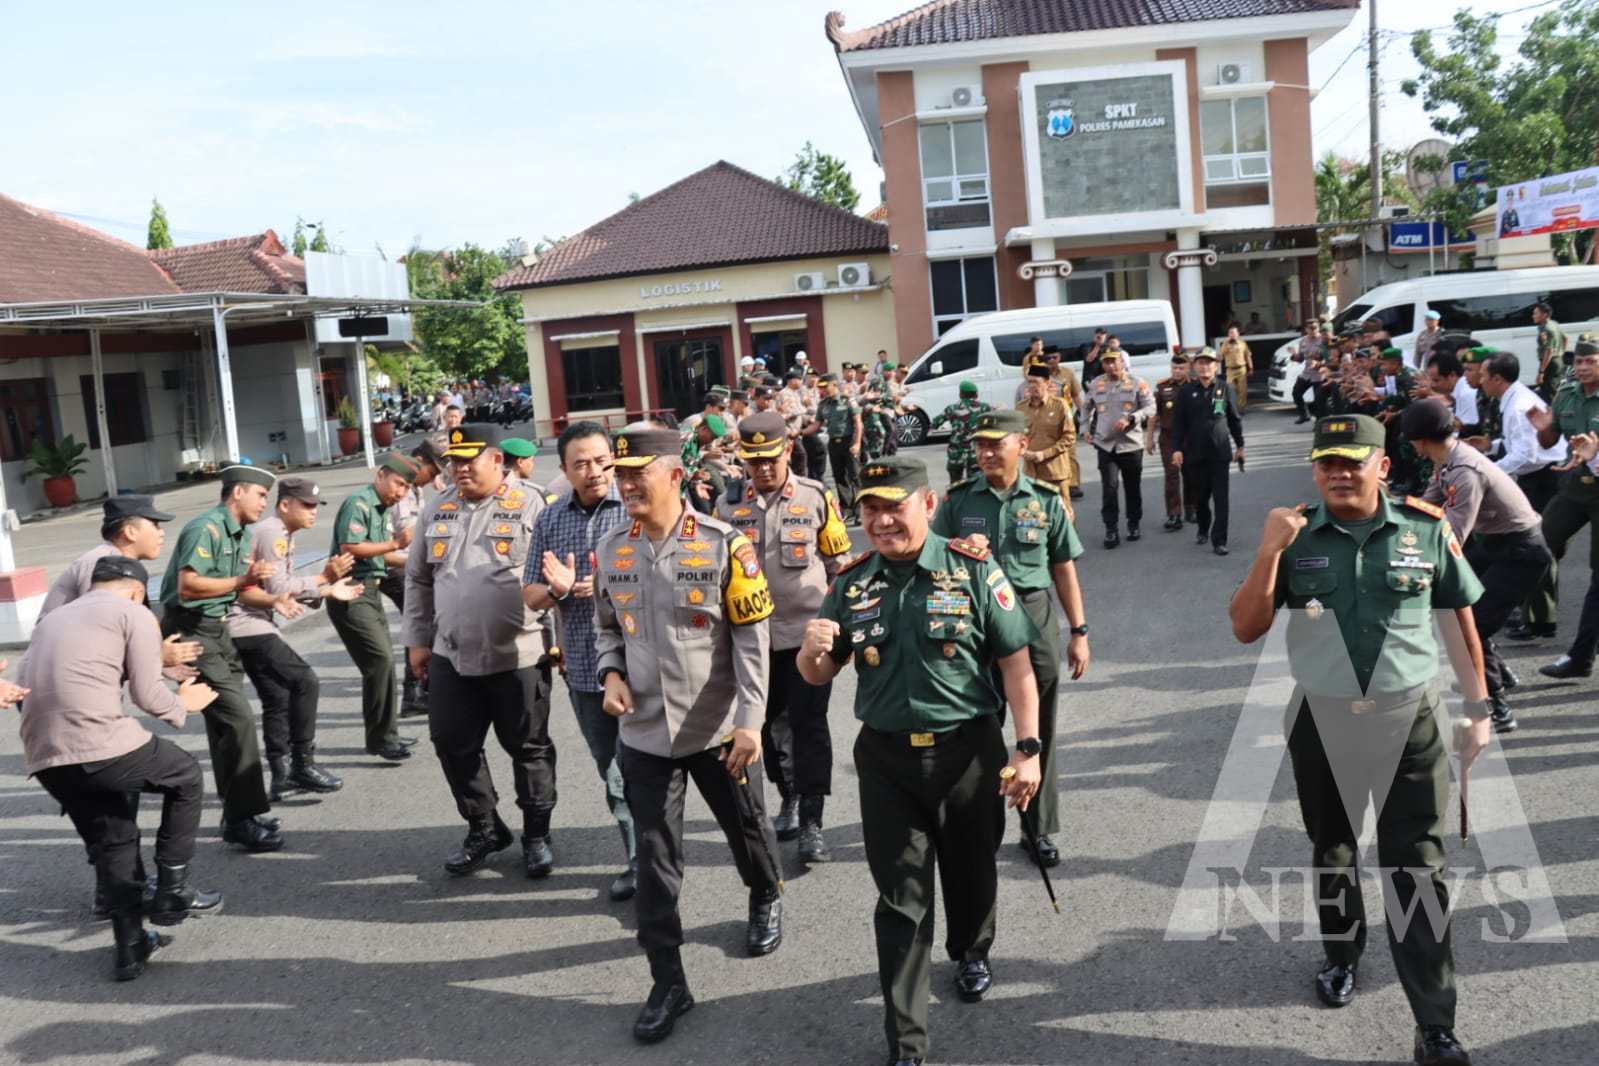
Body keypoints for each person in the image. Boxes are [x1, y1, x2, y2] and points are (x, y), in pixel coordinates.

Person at [1229, 413, 1489, 1066]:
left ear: (1382, 465)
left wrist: (1478, 706)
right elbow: (1244, 627)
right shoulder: (1292, 534)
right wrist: (1266, 552)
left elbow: (1458, 618)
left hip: (1410, 725)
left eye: (1353, 460)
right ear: (1315, 470)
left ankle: (1434, 1024)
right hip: (1322, 720)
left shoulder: (1425, 530)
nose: (1339, 472)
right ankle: (1340, 955)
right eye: (1327, 462)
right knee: (1333, 849)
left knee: (1416, 867)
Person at [798, 454, 1043, 1066]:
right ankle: (907, 1041)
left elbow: (1017, 666)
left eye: (894, 506)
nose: (881, 521)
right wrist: (811, 652)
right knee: (902, 898)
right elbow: (820, 672)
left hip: (969, 751)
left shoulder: (974, 572)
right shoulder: (852, 583)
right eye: (870, 509)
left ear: (927, 506)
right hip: (886, 760)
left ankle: (972, 948)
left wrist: (1028, 747)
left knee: (971, 870)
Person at [592, 424, 782, 1045]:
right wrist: (611, 672)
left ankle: (763, 894)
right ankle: (668, 980)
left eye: (636, 474)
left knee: (747, 831)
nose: (625, 485)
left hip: (721, 729)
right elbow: (606, 628)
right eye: (620, 475)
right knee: (655, 863)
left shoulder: (728, 546)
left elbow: (753, 646)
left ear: (675, 475)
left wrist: (751, 722)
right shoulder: (612, 548)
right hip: (645, 734)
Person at [21, 556, 222, 981]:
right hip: (98, 742)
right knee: (185, 775)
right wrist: (182, 704)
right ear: (136, 591)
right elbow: (150, 695)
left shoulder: (51, 620)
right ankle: (173, 888)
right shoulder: (133, 612)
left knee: (115, 838)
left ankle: (130, 946)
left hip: (45, 756)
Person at [933, 408, 1090, 866]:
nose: (983, 453)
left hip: (1033, 614)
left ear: (1020, 445)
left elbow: (1063, 567)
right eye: (979, 446)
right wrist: (960, 554)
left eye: (994, 444)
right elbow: (933, 558)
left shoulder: (1044, 499)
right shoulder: (960, 501)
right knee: (974, 726)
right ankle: (972, 823)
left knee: (1037, 729)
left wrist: (1079, 631)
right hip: (976, 619)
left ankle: (1037, 827)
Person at [404, 423, 559, 878]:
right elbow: (417, 578)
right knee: (452, 742)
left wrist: (563, 644)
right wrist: (417, 639)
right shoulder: (439, 506)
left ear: (497, 460)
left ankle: (536, 834)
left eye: (470, 460)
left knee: (527, 748)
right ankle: (485, 826)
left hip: (520, 653)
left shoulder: (535, 505)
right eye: (454, 460)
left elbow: (558, 580)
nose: (459, 468)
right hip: (452, 653)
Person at [716, 411, 852, 863]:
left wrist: (838, 624)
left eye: (770, 459)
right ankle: (788, 794)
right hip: (753, 641)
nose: (763, 469)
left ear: (788, 451)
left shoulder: (816, 498)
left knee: (809, 726)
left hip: (806, 637)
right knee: (765, 726)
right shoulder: (727, 505)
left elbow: (840, 565)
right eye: (754, 461)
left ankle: (812, 820)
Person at [159, 464, 301, 853]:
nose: (264, 503)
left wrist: (272, 598)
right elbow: (188, 587)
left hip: (217, 630)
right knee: (237, 720)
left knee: (224, 726)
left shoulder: (239, 534)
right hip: (191, 628)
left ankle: (237, 815)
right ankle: (243, 817)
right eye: (259, 495)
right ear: (237, 493)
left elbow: (235, 590)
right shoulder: (205, 528)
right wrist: (243, 580)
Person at [523, 421, 637, 900]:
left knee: (658, 767)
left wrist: (608, 584)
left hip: (646, 663)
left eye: (600, 460)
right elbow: (530, 594)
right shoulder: (551, 519)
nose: (593, 471)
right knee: (612, 769)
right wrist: (558, 589)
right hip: (588, 670)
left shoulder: (634, 506)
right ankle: (639, 860)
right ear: (565, 471)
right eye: (581, 464)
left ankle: (659, 855)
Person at [1403, 399, 1551, 733]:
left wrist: (1416, 561)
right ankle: (1499, 673)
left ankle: (1496, 706)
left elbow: (1454, 533)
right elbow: (1429, 504)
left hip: (1522, 552)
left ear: (1421, 441)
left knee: (1472, 625)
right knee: (1463, 614)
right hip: (1497, 544)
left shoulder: (1465, 471)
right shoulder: (1447, 460)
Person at [228, 476, 360, 800]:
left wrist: (324, 587)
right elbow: (276, 589)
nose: (313, 512)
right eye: (308, 505)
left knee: (278, 696)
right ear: (286, 504)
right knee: (305, 681)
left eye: (316, 506)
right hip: (247, 624)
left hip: (251, 623)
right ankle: (303, 763)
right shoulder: (273, 531)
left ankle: (282, 774)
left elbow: (281, 585)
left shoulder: (281, 532)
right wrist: (325, 583)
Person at [328, 453, 420, 762]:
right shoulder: (360, 503)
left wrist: (417, 561)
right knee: (380, 661)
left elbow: (379, 556)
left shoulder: (380, 507)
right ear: (380, 475)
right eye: (398, 484)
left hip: (370, 590)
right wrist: (395, 543)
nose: (401, 492)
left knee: (382, 664)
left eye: (406, 487)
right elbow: (351, 548)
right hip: (350, 591)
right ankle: (382, 738)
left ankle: (384, 734)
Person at [1472, 353, 1566, 641]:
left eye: (1484, 375)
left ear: (1498, 379)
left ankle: (1538, 619)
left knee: (1535, 546)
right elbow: (1519, 443)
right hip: (1537, 476)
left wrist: (1489, 472)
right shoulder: (1513, 398)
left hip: (1546, 479)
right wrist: (1493, 445)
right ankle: (1534, 617)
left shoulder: (1517, 405)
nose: (1481, 380)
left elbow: (1527, 454)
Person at [1533, 335, 1599, 679]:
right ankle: (1537, 619)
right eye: (1579, 362)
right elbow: (1549, 439)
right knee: (1535, 544)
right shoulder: (1567, 393)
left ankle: (1581, 656)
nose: (1583, 368)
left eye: (1591, 361)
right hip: (1575, 489)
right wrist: (1543, 429)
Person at [1171, 347, 1245, 556]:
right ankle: (1203, 527)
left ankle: (1219, 540)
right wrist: (1176, 449)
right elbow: (1178, 424)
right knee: (1201, 498)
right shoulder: (1186, 391)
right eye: (1201, 363)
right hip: (1194, 454)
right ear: (1194, 366)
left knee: (1221, 499)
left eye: (1209, 362)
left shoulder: (1225, 388)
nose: (1205, 366)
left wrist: (1240, 446)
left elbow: (1234, 419)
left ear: (1216, 366)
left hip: (1220, 453)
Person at [390, 440, 444, 717]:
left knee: (427, 618)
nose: (434, 478)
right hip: (395, 566)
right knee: (420, 618)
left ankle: (420, 689)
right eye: (432, 471)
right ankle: (416, 692)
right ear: (419, 459)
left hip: (411, 563)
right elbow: (391, 541)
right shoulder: (398, 489)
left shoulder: (417, 491)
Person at [1082, 348, 1155, 548]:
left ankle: (1133, 523)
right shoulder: (1097, 384)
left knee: (1132, 487)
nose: (1110, 365)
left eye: (1114, 361)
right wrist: (1085, 428)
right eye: (1106, 362)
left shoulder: (1137, 382)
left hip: (1130, 444)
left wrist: (1132, 417)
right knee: (1110, 487)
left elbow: (1151, 406)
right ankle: (1111, 529)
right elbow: (1086, 406)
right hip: (1106, 445)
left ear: (1122, 362)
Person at [1018, 364, 1076, 512]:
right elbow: (1016, 436)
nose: (1032, 386)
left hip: (1055, 473)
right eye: (1029, 382)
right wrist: (1023, 452)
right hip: (1031, 473)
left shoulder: (1060, 406)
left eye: (1036, 382)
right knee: (1035, 516)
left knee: (1064, 514)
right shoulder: (1020, 408)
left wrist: (1044, 454)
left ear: (1047, 383)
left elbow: (1069, 437)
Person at [1151, 352, 1192, 530]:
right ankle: (1174, 514)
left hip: (1190, 437)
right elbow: (1154, 413)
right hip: (1168, 438)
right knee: (1172, 475)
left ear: (1188, 368)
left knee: (1191, 475)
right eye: (1174, 368)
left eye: (1181, 368)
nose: (1177, 371)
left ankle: (1192, 509)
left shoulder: (1195, 385)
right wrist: (1149, 438)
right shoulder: (1162, 387)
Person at [815, 372, 862, 520]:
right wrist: (798, 432)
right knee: (839, 477)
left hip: (849, 441)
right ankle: (847, 508)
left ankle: (861, 509)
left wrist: (857, 443)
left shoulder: (848, 400)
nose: (822, 390)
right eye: (820, 387)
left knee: (855, 475)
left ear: (834, 385)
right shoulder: (823, 405)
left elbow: (858, 423)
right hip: (834, 443)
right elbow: (817, 424)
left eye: (825, 387)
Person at [932, 381, 991, 486]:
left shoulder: (952, 408)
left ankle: (956, 500)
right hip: (975, 451)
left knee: (955, 482)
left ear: (961, 394)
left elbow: (935, 423)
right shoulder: (984, 408)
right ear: (976, 394)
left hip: (956, 451)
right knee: (975, 482)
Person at [1533, 300, 1567, 400]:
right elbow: (1565, 338)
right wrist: (1560, 353)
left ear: (1544, 315)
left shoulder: (1546, 328)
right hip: (1557, 360)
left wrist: (1541, 372)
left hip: (1550, 363)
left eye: (1536, 313)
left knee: (1550, 392)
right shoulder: (1554, 324)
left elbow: (1549, 351)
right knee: (1554, 388)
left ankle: (1558, 413)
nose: (1533, 316)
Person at [1219, 324, 1254, 411]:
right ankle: (1231, 408)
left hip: (1241, 369)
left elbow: (1248, 356)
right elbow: (1220, 357)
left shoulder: (1243, 343)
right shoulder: (1225, 344)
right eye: (1230, 333)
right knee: (1230, 389)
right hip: (1230, 370)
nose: (1232, 335)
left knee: (1242, 391)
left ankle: (1240, 409)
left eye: (1234, 333)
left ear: (1238, 334)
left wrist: (1251, 368)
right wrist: (1226, 345)